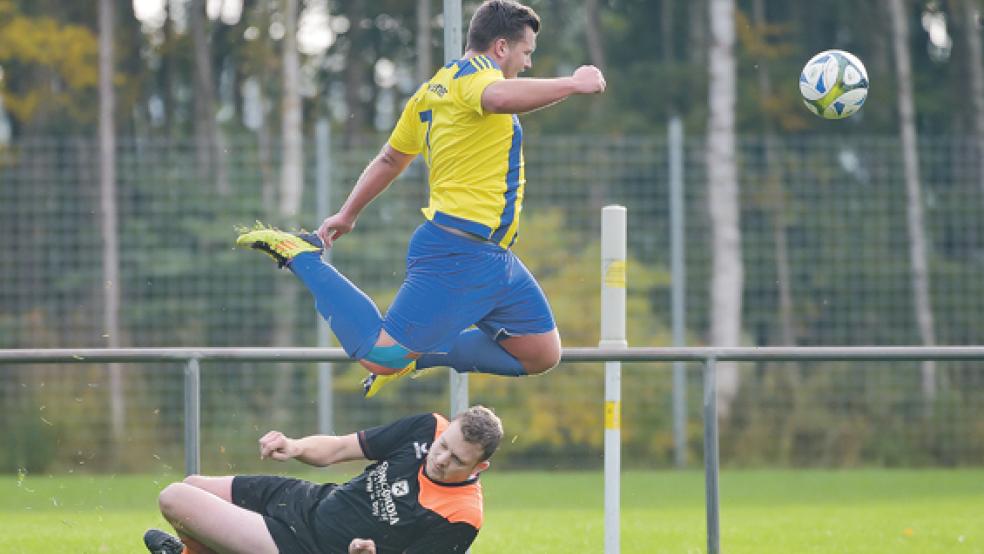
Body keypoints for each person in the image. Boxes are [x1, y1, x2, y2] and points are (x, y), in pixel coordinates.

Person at [236, 0, 607, 397]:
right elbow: (498, 98)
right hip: (457, 250)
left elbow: (391, 158)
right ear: (501, 47)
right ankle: (302, 256)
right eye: (526, 52)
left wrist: (348, 214)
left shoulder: (433, 90)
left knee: (540, 352)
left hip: (494, 257)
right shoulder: (476, 78)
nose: (528, 63)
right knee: (382, 356)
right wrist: (573, 83)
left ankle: (418, 356)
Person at [143, 405, 503, 554]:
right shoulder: (427, 426)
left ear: (479, 468)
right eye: (442, 445)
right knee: (193, 485)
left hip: (308, 545)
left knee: (174, 498)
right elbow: (338, 448)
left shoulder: (462, 515)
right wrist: (294, 446)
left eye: (456, 459)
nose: (439, 458)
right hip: (308, 499)